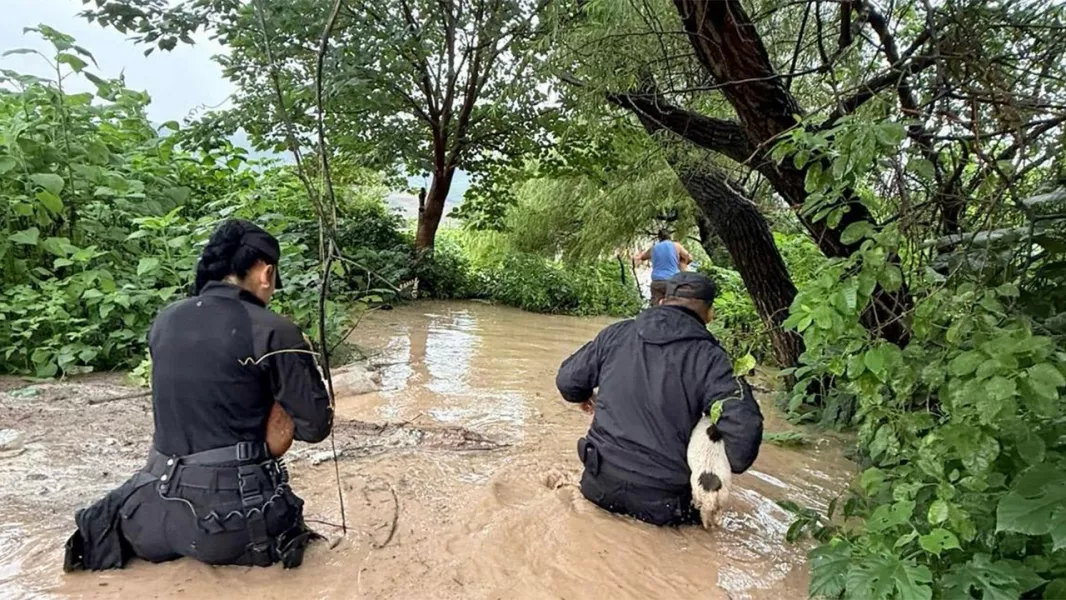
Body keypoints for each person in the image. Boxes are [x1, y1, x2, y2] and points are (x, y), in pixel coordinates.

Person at [64, 219, 333, 572]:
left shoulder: (165, 320)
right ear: (265, 273)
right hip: (229, 527)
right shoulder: (274, 332)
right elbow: (314, 427)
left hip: (147, 517)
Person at [555, 272, 763, 526]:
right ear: (710, 313)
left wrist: (584, 395)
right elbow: (743, 439)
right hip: (664, 506)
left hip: (598, 486)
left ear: (662, 301)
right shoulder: (713, 359)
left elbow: (568, 382)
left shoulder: (617, 334)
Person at [637, 230, 693, 306]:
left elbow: (643, 257)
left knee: (657, 307)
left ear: (659, 238)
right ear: (670, 237)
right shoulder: (676, 246)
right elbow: (689, 258)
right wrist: (682, 262)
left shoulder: (653, 248)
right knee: (673, 307)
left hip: (657, 281)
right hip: (672, 281)